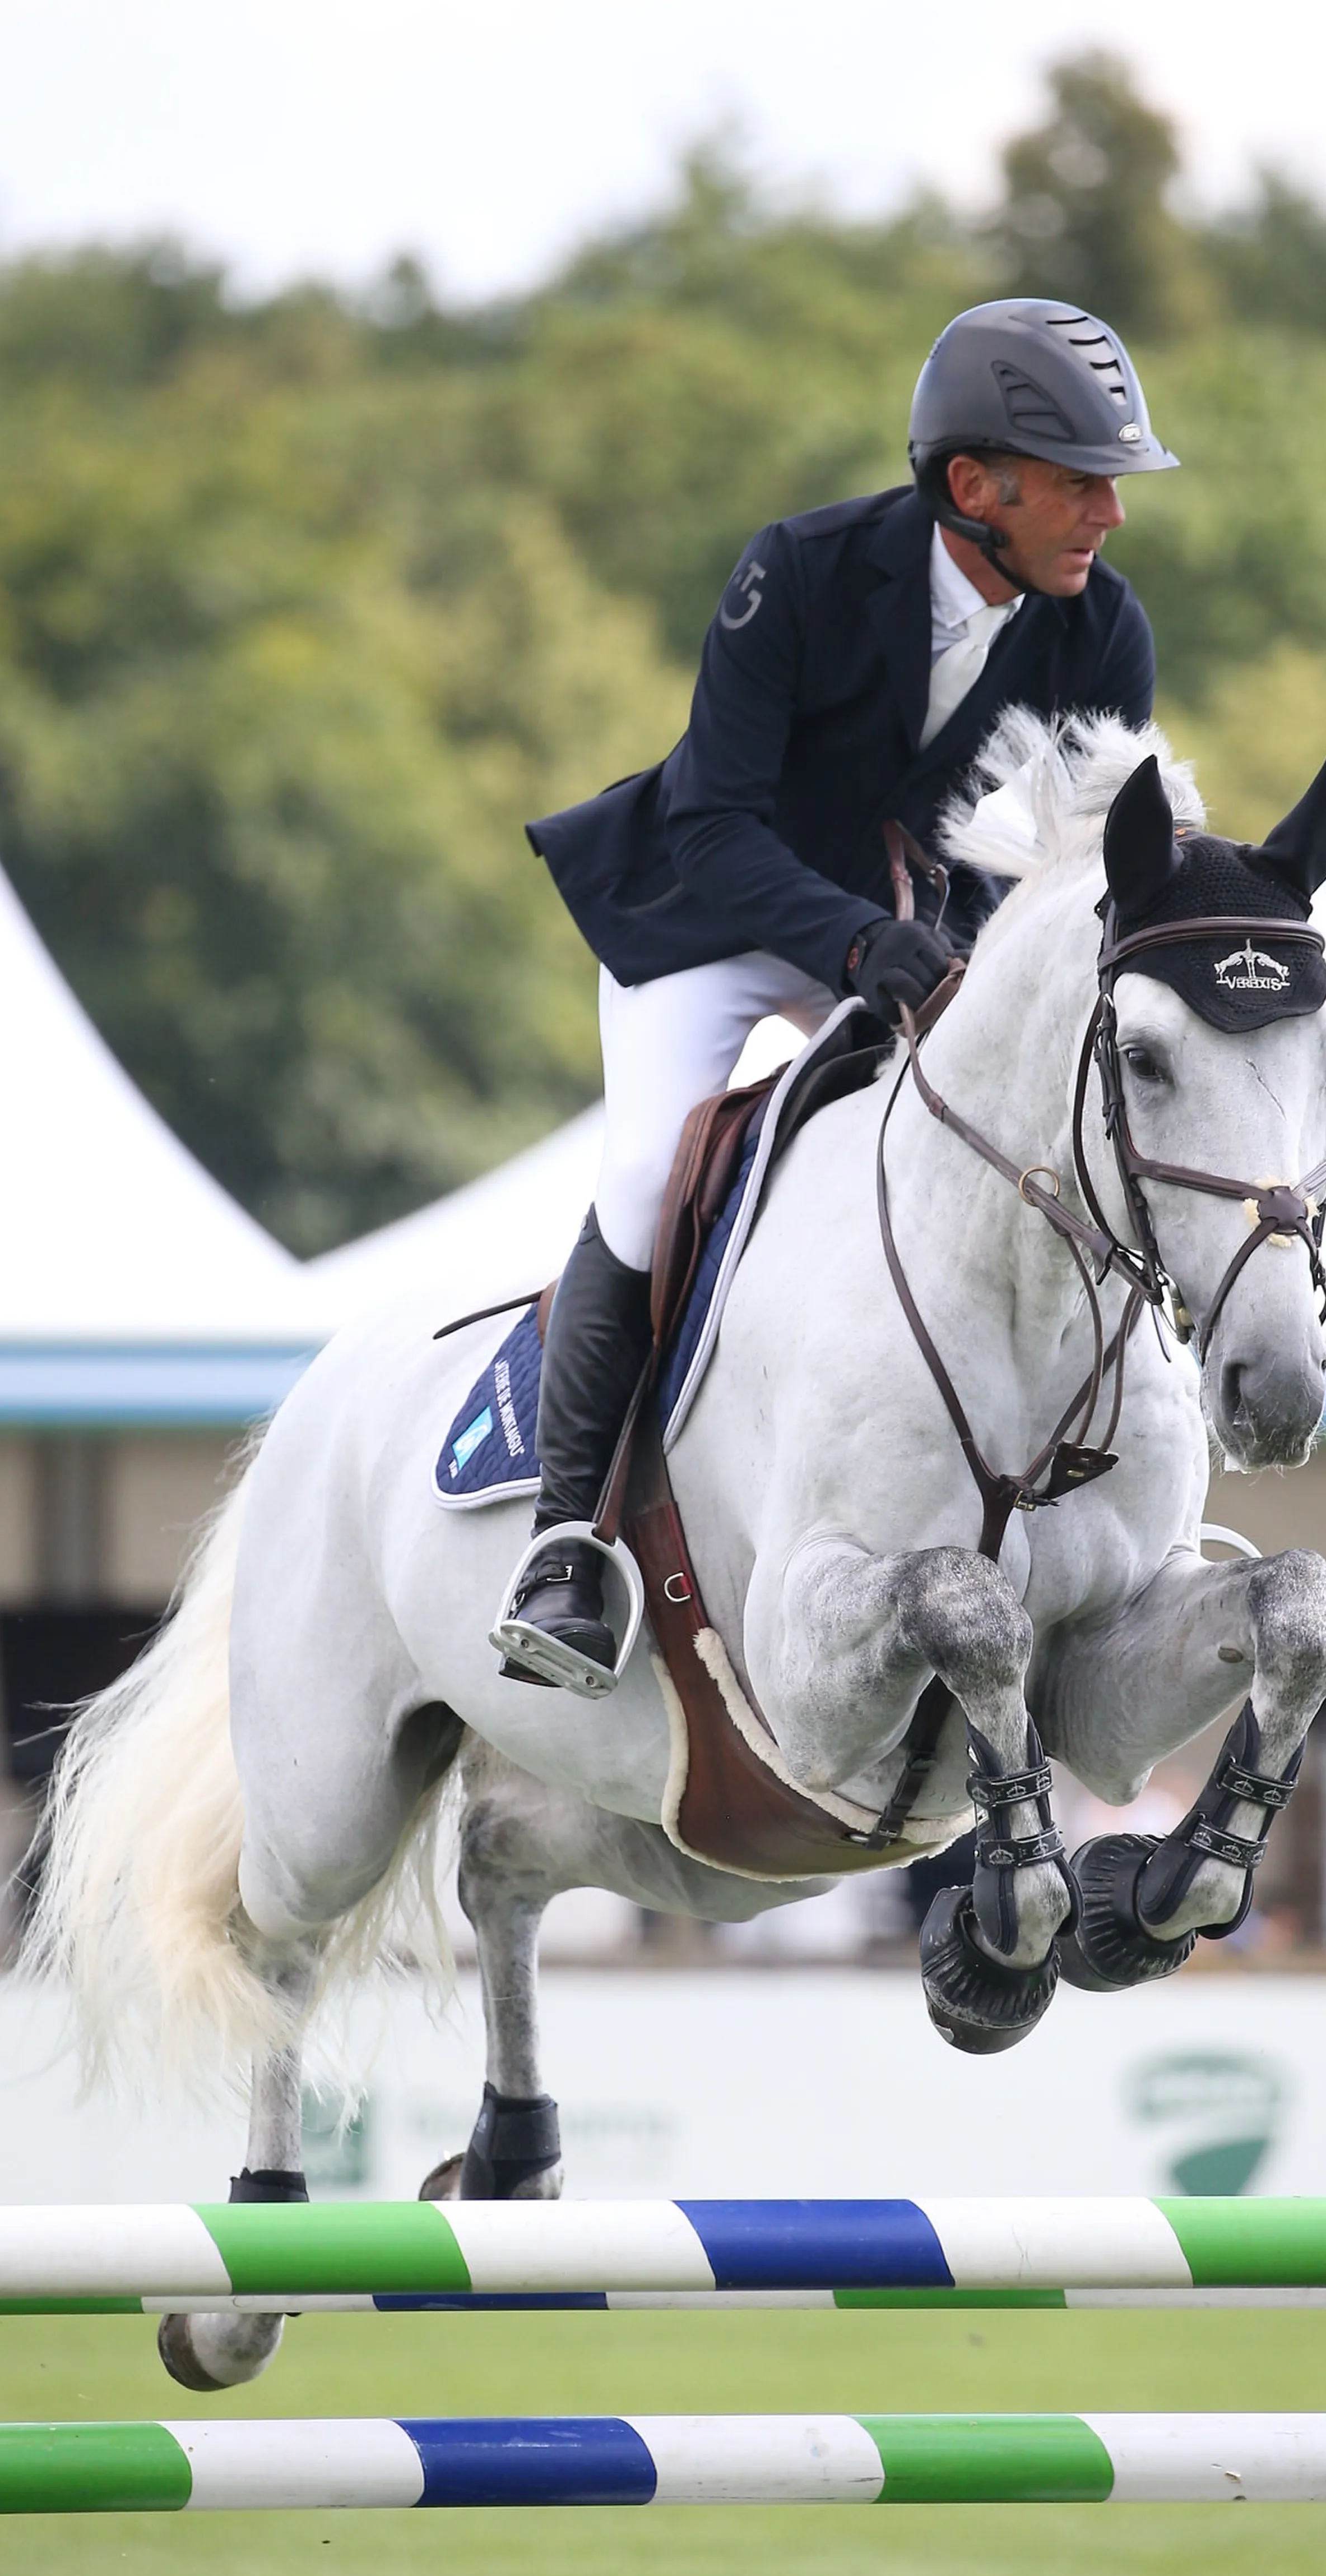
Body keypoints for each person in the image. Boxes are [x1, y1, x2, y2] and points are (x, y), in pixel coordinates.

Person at [494, 298, 1179, 1693]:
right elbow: (714, 826)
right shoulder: (799, 575)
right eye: (1079, 481)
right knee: (644, 1177)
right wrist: (864, 949)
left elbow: (1061, 865)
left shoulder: (1103, 635)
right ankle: (567, 1543)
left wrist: (959, 963)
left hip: (919, 933)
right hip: (718, 916)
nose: (1109, 510)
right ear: (973, 486)